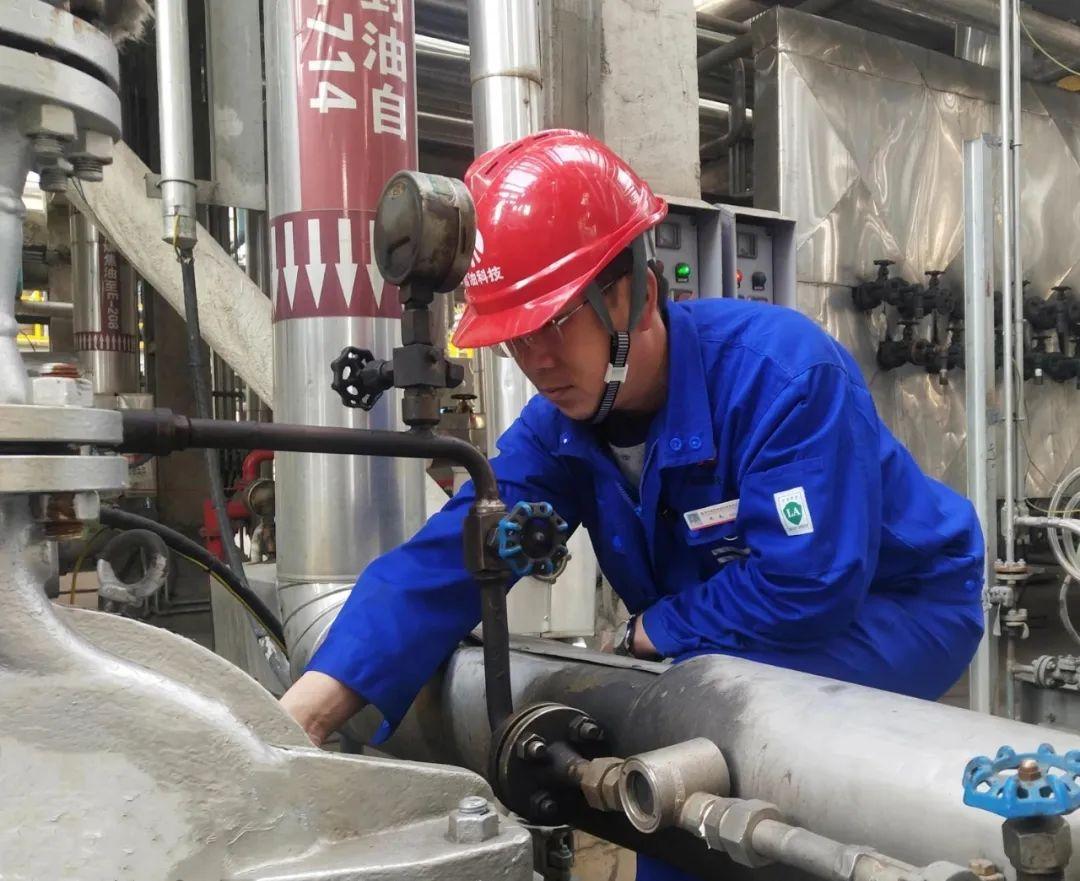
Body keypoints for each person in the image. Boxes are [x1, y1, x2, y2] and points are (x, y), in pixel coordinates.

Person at [281, 129, 985, 881]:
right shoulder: (562, 427)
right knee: (678, 779)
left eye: (554, 322)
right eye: (515, 338)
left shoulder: (782, 376)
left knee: (730, 740)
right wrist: (303, 719)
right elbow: (454, 554)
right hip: (737, 617)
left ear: (637, 294)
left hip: (899, 603)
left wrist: (654, 630)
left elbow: (811, 581)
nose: (537, 362)